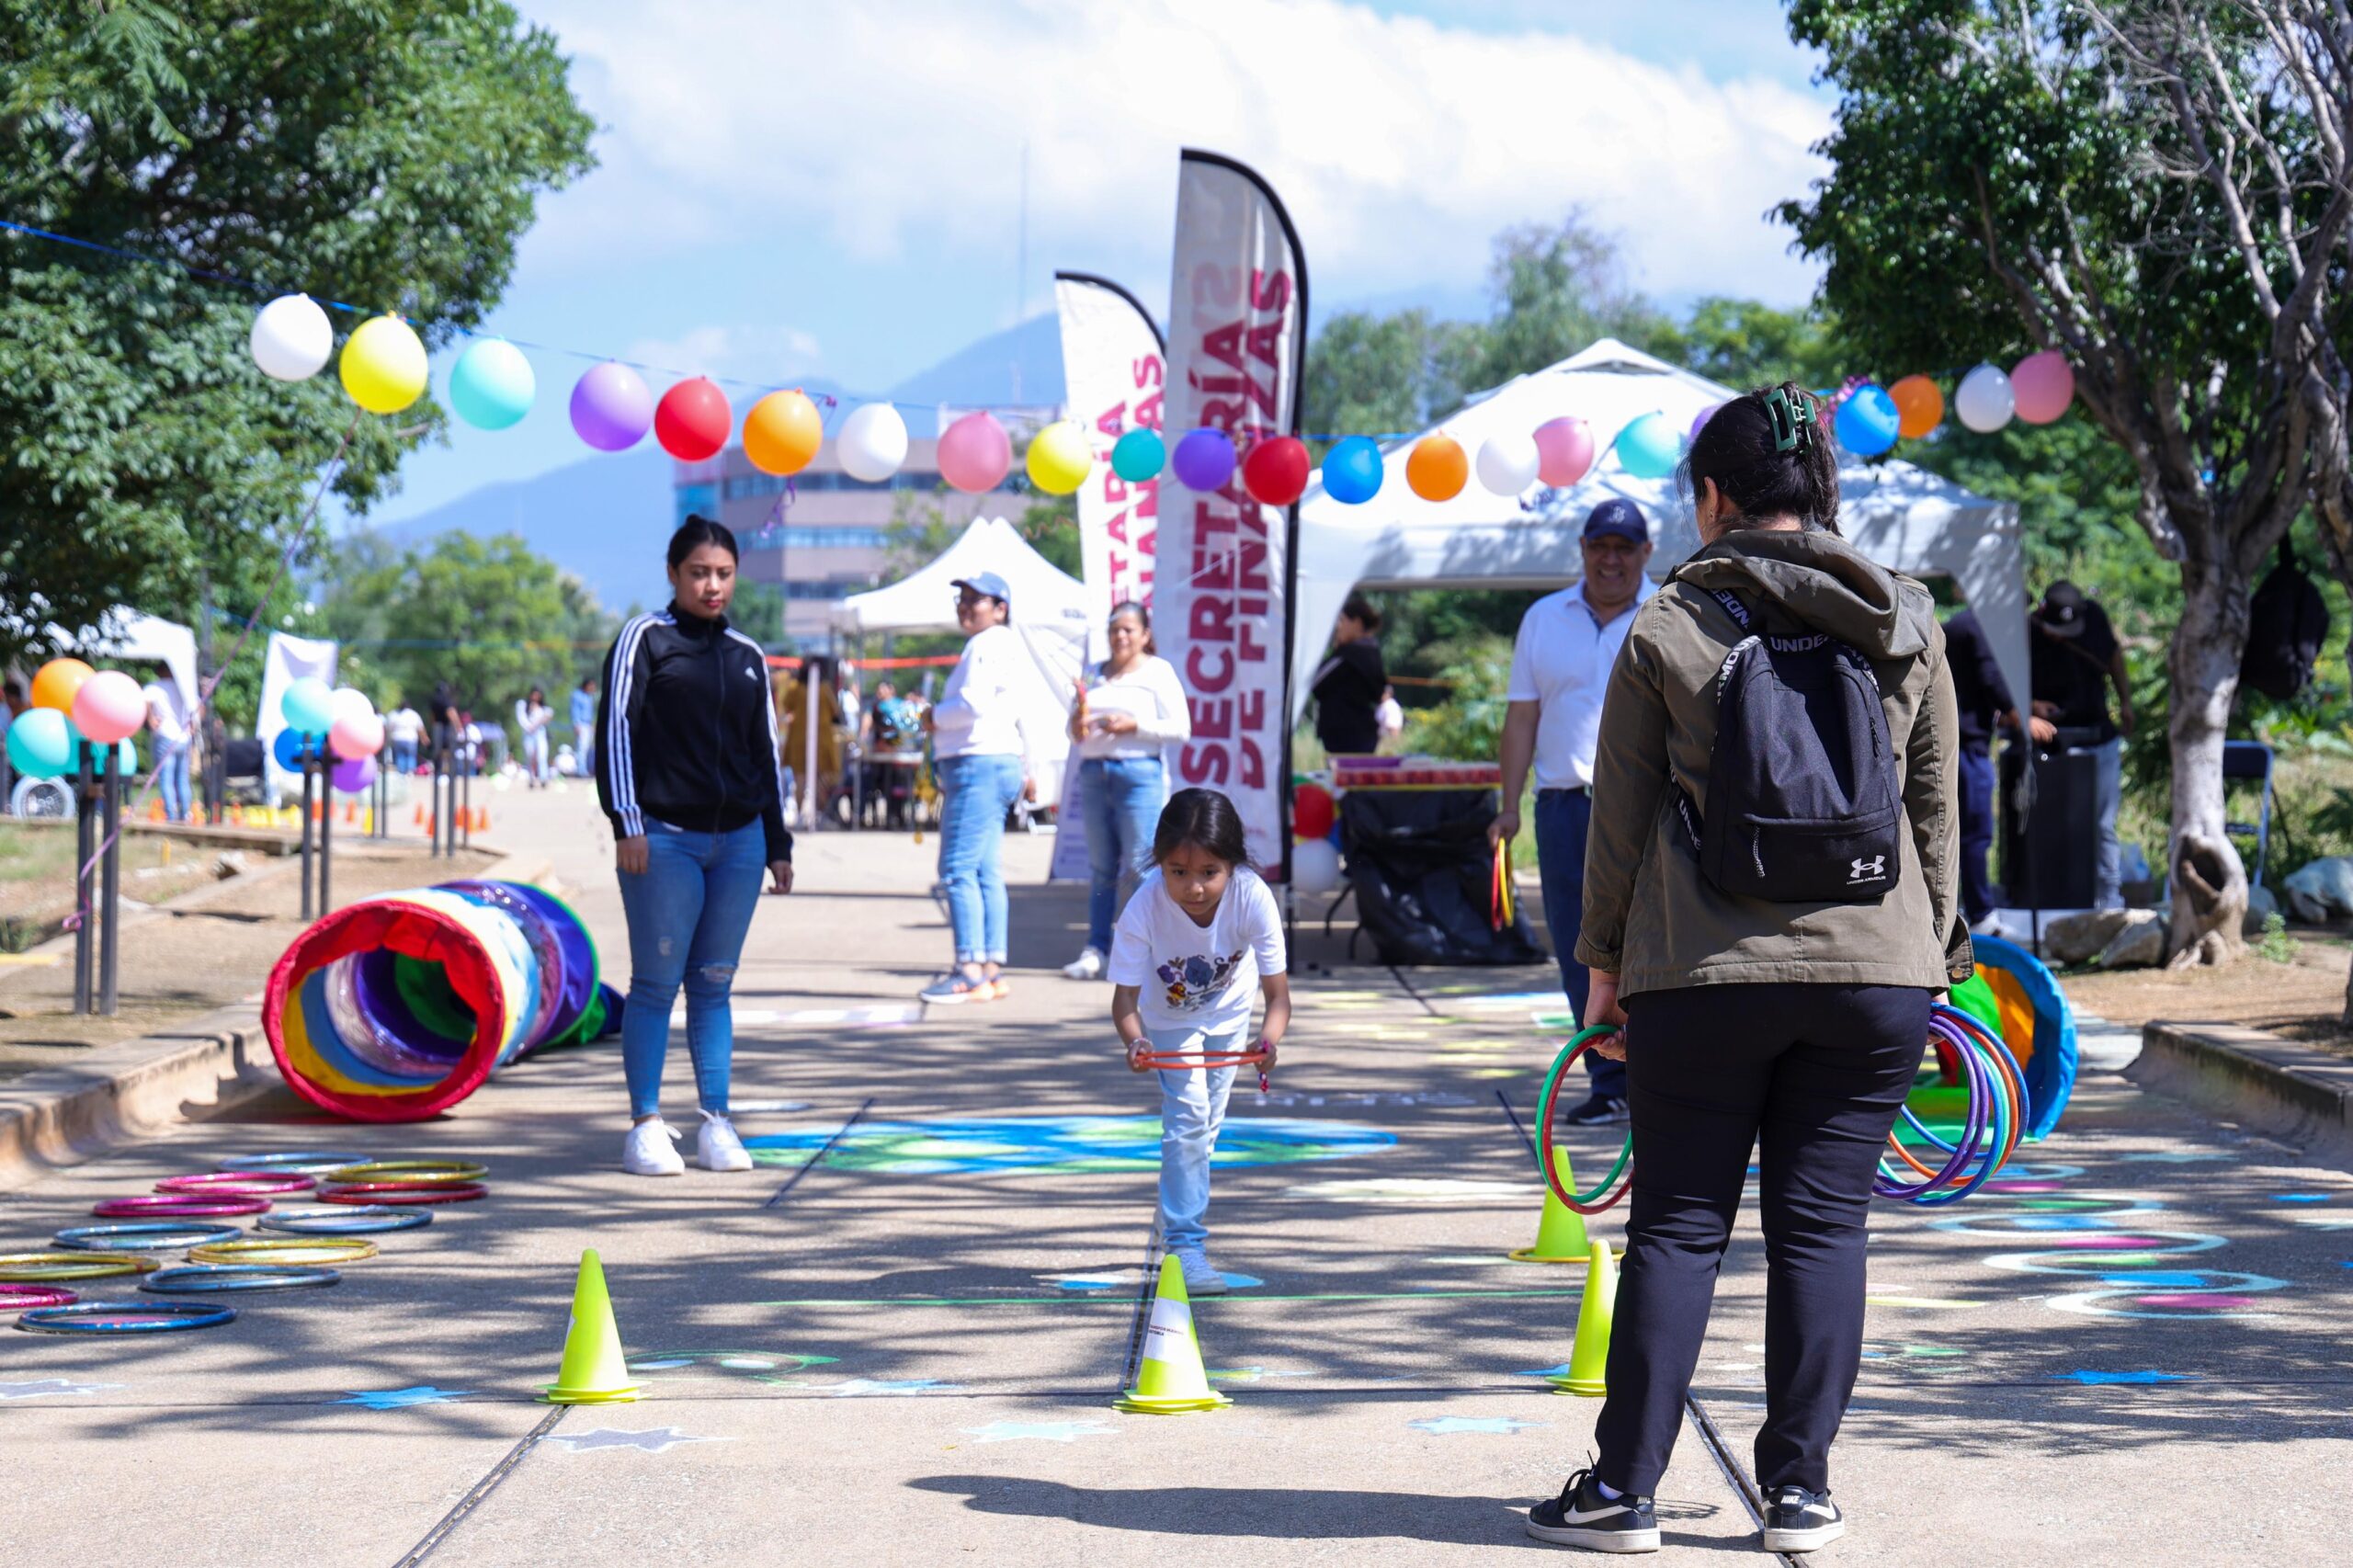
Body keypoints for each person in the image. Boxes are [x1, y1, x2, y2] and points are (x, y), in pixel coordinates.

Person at [1524, 383, 1965, 1555]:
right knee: (1823, 1229)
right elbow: (1935, 811)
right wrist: (1939, 958)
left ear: (1713, 497)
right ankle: (1800, 1492)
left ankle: (1623, 1493)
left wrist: (1602, 968)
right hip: (1875, 970)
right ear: (1824, 490)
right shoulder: (1906, 617)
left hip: (1700, 970)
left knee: (1677, 1226)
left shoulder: (1668, 624)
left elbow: (1615, 821)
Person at [597, 517, 795, 1177]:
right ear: (673, 573)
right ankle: (646, 1125)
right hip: (663, 841)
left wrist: (777, 841)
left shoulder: (746, 654)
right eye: (699, 573)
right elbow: (615, 734)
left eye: (724, 574)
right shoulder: (644, 640)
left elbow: (765, 754)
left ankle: (716, 1122)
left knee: (713, 984)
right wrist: (627, 820)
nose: (713, 586)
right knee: (656, 985)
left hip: (737, 843)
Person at [1490, 498, 1655, 1127]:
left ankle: (1660, 1076)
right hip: (1564, 807)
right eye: (1600, 546)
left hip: (1647, 808)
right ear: (1583, 550)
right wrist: (1509, 807)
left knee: (1652, 943)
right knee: (1578, 950)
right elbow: (1522, 716)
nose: (1610, 559)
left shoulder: (1670, 611)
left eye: (1624, 548)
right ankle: (1608, 1080)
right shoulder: (1543, 618)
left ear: (1645, 553)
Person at [1109, 788, 1290, 1296]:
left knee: (1204, 1128)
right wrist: (1136, 1043)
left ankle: (1182, 1205)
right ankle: (1186, 1246)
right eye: (1178, 872)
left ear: (1232, 866)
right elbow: (1124, 1003)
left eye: (1209, 872)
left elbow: (1279, 998)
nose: (1193, 887)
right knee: (1187, 1119)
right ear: (1160, 864)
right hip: (1168, 1019)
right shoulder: (1143, 906)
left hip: (1231, 1014)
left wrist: (1268, 1042)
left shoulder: (1252, 896)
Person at [920, 572, 1036, 1003]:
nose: (965, 605)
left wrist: (933, 716)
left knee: (957, 869)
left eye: (976, 599)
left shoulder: (988, 644)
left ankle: (968, 969)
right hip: (995, 760)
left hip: (978, 763)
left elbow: (972, 703)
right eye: (961, 598)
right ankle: (989, 970)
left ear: (1000, 607)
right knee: (985, 871)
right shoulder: (1002, 645)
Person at [1063, 601, 1192, 981]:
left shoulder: (1158, 672)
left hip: (1138, 775)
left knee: (1140, 867)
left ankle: (1146, 950)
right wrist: (1079, 724)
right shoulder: (1093, 674)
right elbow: (1073, 734)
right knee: (1102, 868)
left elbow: (1181, 728)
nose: (1120, 637)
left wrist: (1133, 725)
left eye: (1129, 630)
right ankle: (1097, 948)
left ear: (1145, 635)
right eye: (1114, 630)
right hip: (1094, 773)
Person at [2029, 581, 2134, 909]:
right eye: (2054, 628)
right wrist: (2030, 706)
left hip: (2097, 736)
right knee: (2052, 825)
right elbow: (2004, 683)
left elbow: (2114, 656)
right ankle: (2050, 897)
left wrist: (2126, 702)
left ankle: (2109, 898)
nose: (2059, 637)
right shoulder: (2027, 632)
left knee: (2103, 824)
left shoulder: (2095, 620)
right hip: (2052, 744)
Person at [1943, 608, 2052, 926]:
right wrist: (2023, 717)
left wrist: (2025, 707)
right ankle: (1980, 915)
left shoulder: (1962, 624)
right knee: (1975, 833)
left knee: (1962, 833)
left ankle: (1969, 909)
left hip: (1958, 742)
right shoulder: (1980, 626)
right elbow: (1991, 680)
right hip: (1966, 747)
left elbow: (1972, 685)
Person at [1310, 593, 1386, 756]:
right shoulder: (1372, 652)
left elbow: (1315, 682)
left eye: (1342, 620)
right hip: (1363, 735)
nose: (1338, 626)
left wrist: (1337, 651)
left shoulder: (1349, 655)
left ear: (1357, 623)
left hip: (1345, 737)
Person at [141, 665, 194, 823]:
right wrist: (193, 724)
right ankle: (185, 813)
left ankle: (171, 815)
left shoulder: (154, 687)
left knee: (166, 778)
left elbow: (145, 702)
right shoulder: (182, 687)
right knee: (183, 778)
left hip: (165, 735)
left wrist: (151, 719)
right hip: (183, 737)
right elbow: (198, 705)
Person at [515, 687, 553, 788]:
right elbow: (521, 718)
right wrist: (529, 727)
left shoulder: (544, 708)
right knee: (530, 756)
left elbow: (548, 716)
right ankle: (531, 778)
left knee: (542, 756)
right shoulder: (523, 705)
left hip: (540, 733)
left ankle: (543, 778)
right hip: (528, 734)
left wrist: (536, 724)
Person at [385, 701, 424, 776]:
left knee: (400, 756)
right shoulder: (413, 714)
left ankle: (401, 772)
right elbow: (420, 728)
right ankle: (410, 771)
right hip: (411, 738)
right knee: (411, 756)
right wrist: (424, 738)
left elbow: (388, 728)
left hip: (398, 738)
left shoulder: (393, 714)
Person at [570, 676, 597, 778]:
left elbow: (590, 713)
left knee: (586, 748)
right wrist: (576, 724)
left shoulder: (589, 697)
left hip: (588, 725)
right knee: (581, 748)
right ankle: (580, 770)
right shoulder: (577, 695)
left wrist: (592, 724)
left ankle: (583, 769)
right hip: (581, 724)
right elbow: (575, 711)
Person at [1374, 684, 1405, 753]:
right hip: (1383, 739)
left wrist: (1391, 743)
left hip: (1387, 740)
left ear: (1389, 694)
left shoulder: (1390, 706)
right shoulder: (1384, 705)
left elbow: (1393, 728)